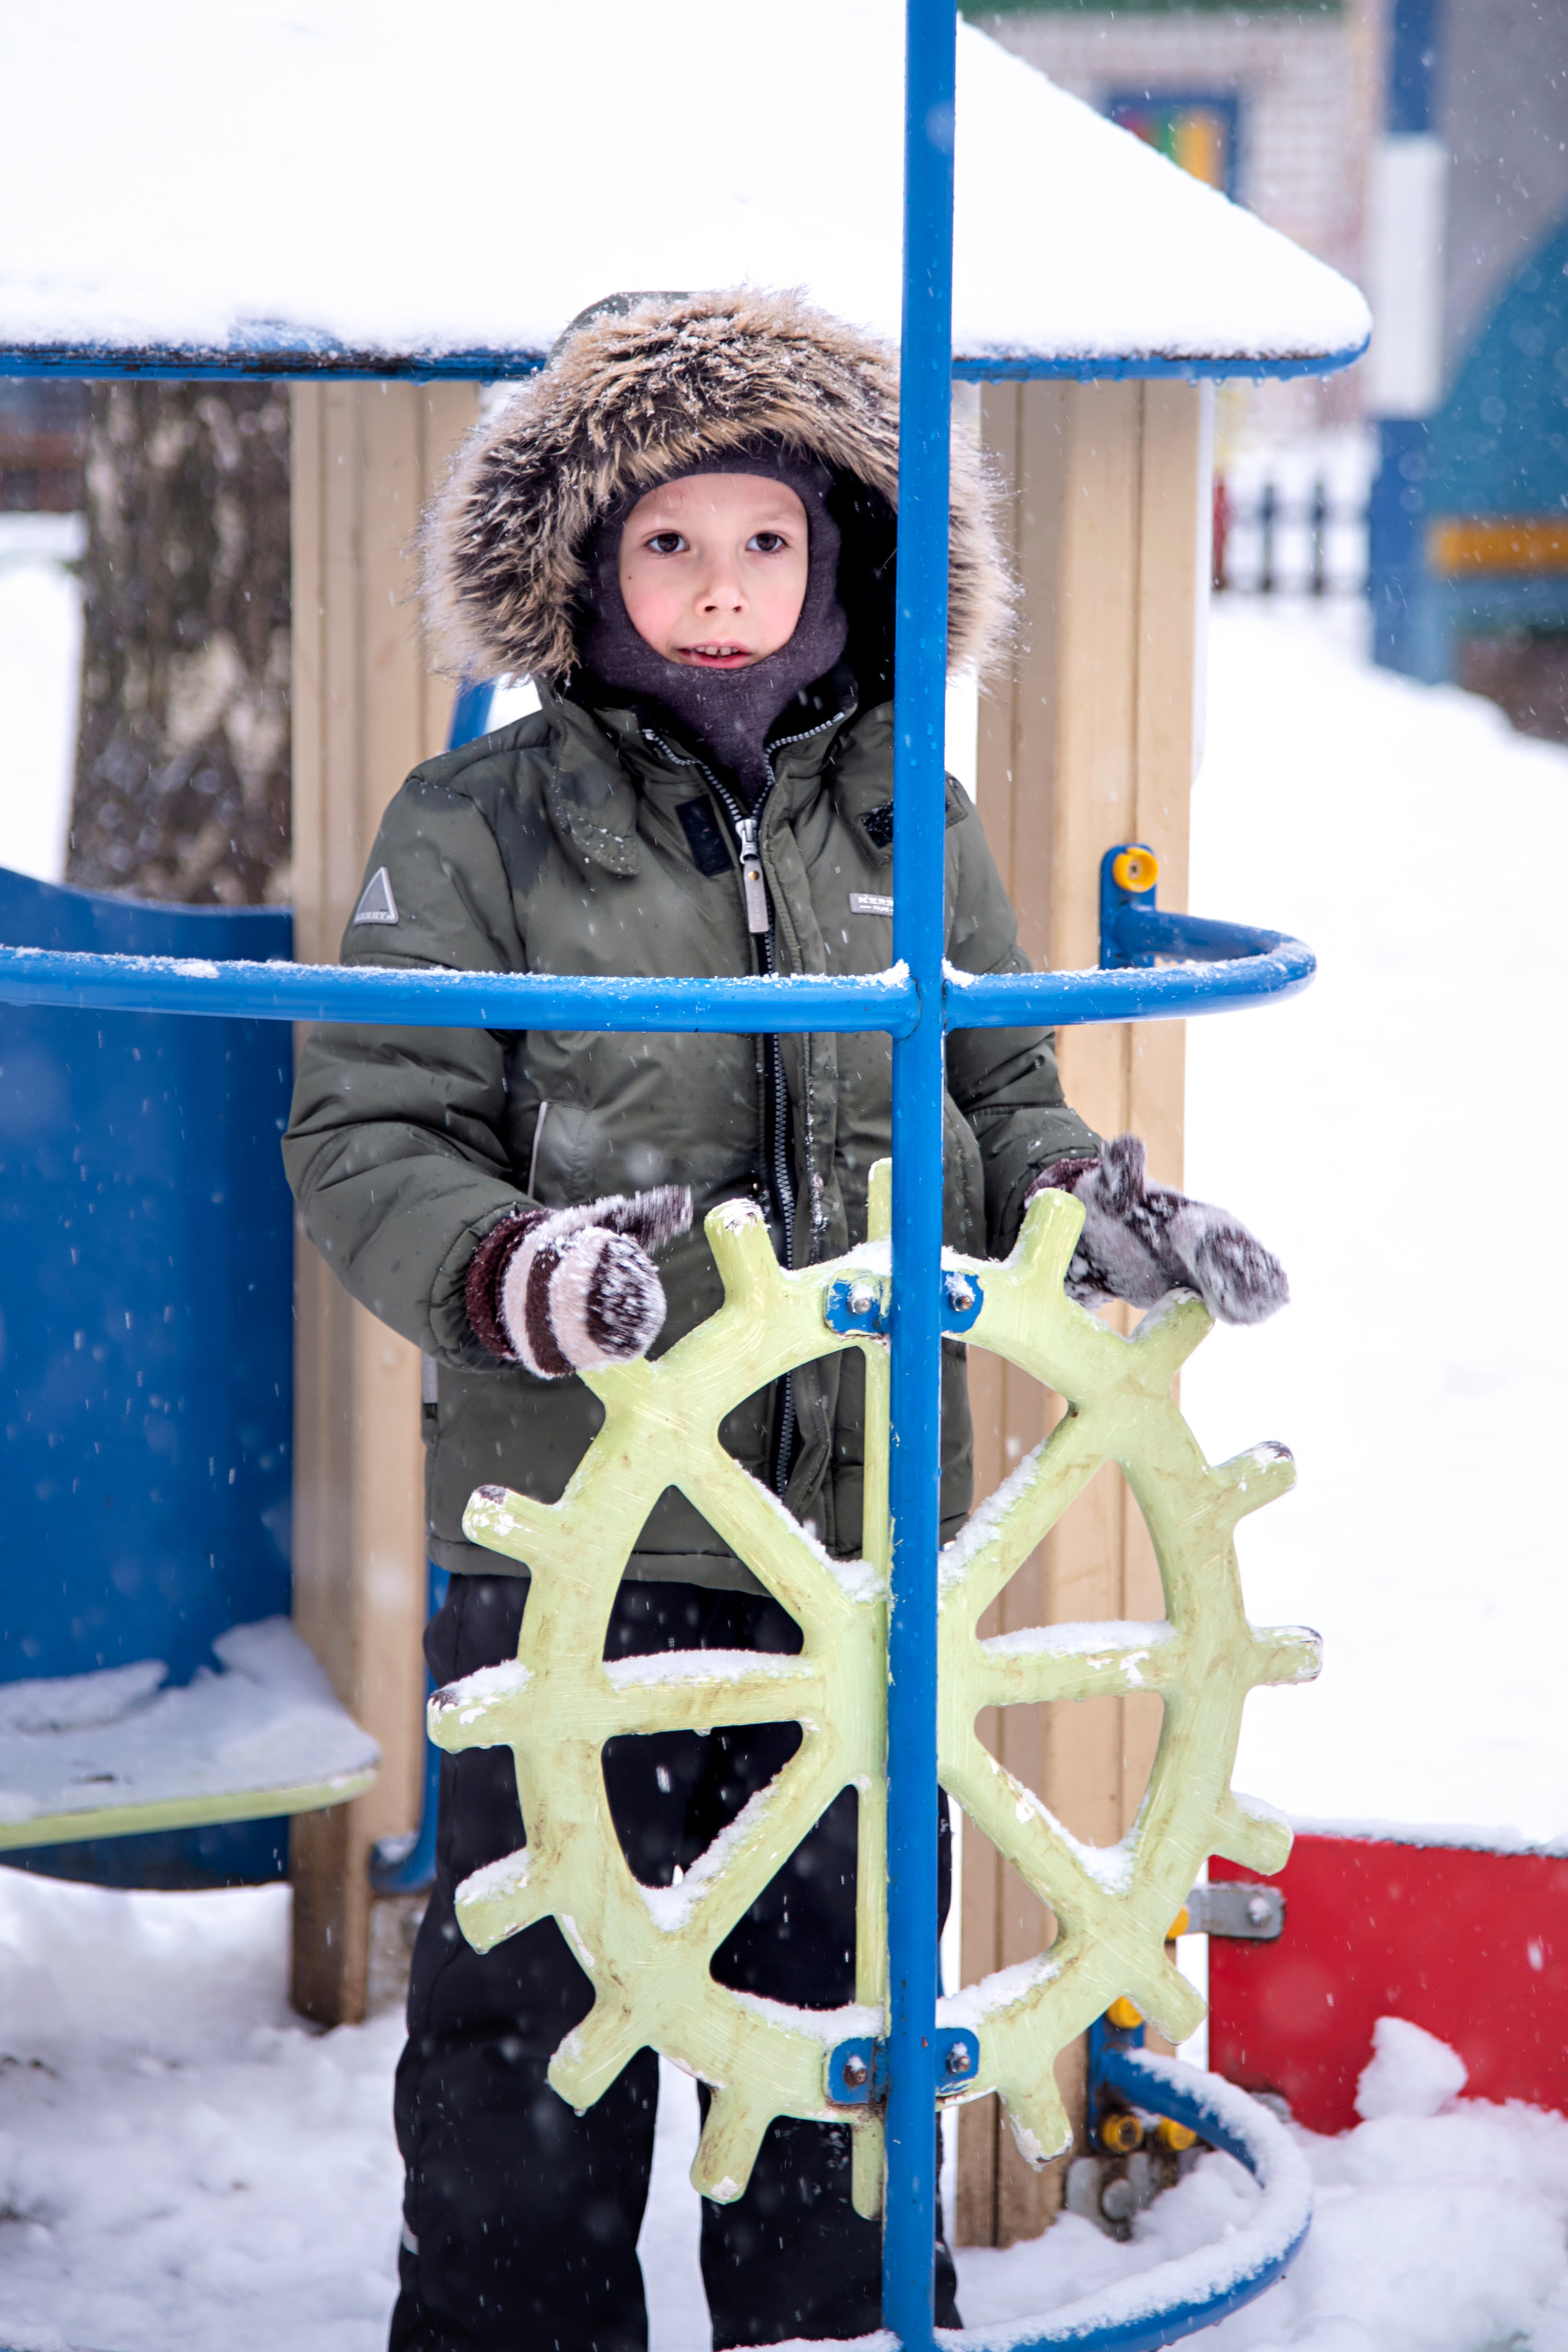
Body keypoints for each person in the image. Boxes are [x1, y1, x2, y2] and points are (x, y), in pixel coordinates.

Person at [284, 288, 1287, 2352]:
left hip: (853, 1567)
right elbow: (372, 1133)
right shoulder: (473, 830)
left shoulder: (912, 815)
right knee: (534, 2031)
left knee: (843, 2019)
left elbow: (993, 1093)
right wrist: (520, 1269)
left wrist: (1095, 1217)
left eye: (762, 542)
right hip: (570, 1560)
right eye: (668, 543)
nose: (718, 591)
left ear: (840, 555)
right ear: (583, 562)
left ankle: (832, 2331)